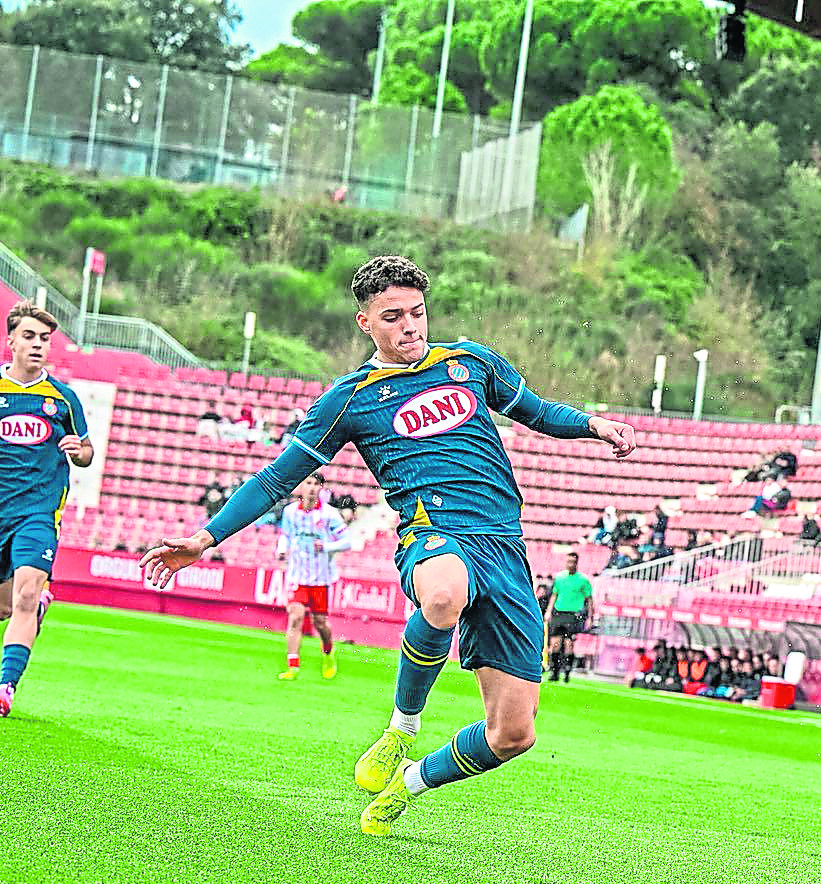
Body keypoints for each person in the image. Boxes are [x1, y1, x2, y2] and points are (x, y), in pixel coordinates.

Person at [143, 255, 636, 835]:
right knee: (443, 596)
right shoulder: (350, 399)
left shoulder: (471, 362)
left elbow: (536, 412)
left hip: (506, 549)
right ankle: (401, 727)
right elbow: (277, 479)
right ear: (365, 323)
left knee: (513, 734)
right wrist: (204, 539)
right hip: (434, 534)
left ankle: (407, 783)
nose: (411, 326)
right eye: (394, 316)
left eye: (419, 313)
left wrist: (594, 426)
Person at [0, 302, 96, 719]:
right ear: (11, 341)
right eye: (29, 336)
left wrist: (81, 451)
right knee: (7, 606)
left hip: (39, 513)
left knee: (24, 594)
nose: (37, 344)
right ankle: (37, 609)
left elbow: (88, 450)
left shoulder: (63, 397)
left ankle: (6, 686)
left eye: (44, 339)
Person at [275, 475, 351, 680]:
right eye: (308, 482)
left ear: (321, 488)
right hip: (297, 575)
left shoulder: (329, 514)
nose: (311, 487)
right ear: (301, 486)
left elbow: (347, 541)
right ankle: (293, 667)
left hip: (320, 577)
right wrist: (281, 550)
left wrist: (326, 546)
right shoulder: (290, 512)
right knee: (296, 616)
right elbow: (286, 535)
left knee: (320, 623)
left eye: (316, 484)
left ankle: (328, 652)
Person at [546, 551, 595, 683]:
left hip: (573, 614)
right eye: (568, 561)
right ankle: (554, 672)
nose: (570, 564)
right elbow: (555, 595)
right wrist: (549, 611)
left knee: (568, 644)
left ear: (577, 563)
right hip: (559, 612)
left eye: (573, 562)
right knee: (555, 644)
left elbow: (589, 599)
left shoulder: (583, 580)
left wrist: (590, 617)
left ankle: (567, 672)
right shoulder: (560, 577)